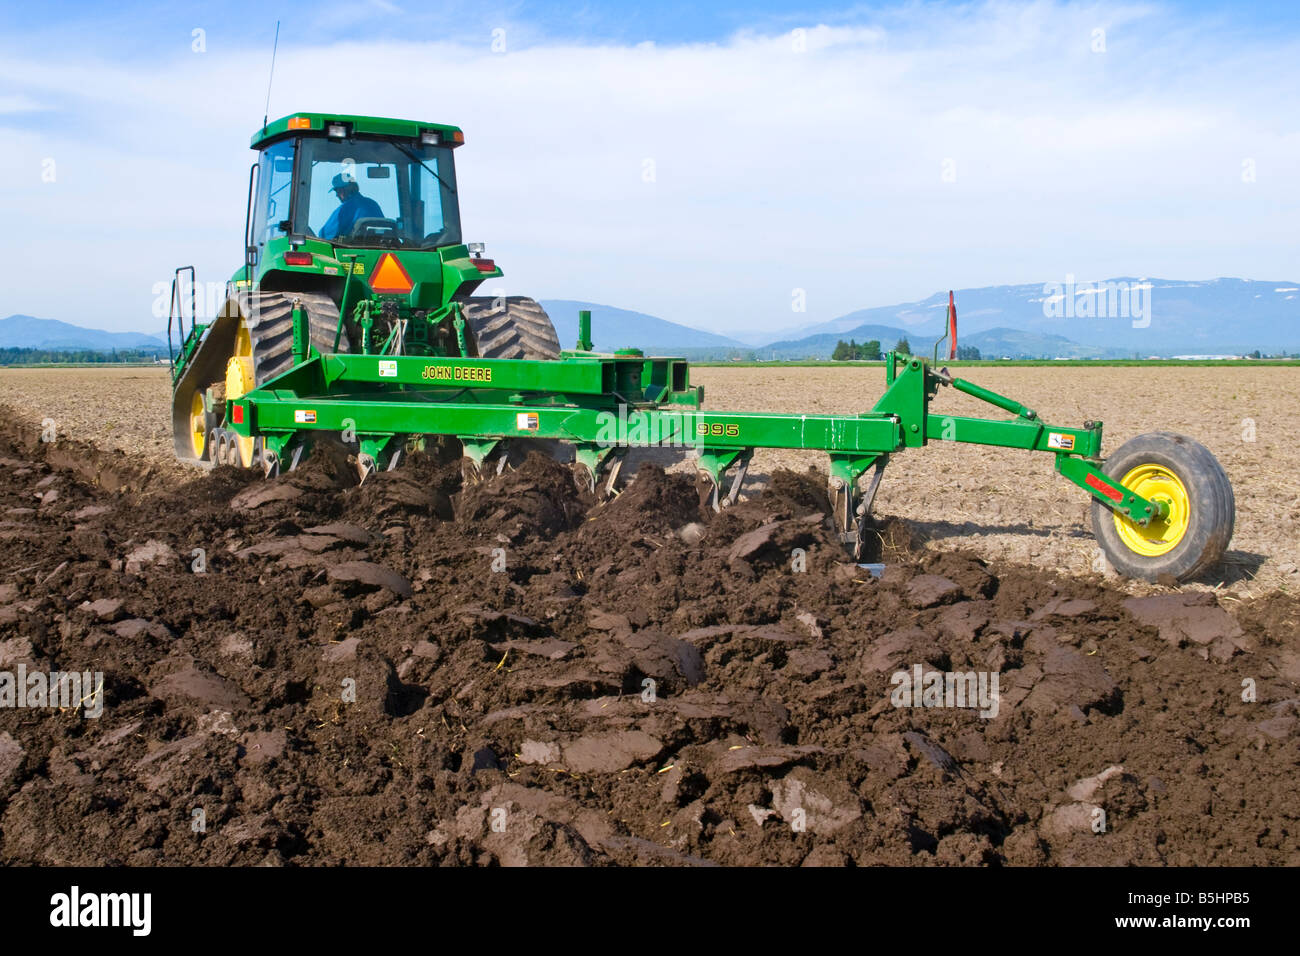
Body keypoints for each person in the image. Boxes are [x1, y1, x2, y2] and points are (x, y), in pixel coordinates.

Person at [320, 173, 383, 239]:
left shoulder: (345, 209)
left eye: (337, 191)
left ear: (343, 190)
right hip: (380, 246)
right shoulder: (373, 204)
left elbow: (325, 234)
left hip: (354, 247)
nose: (337, 195)